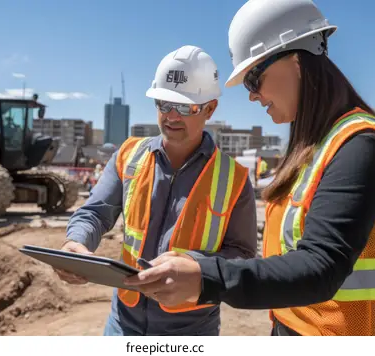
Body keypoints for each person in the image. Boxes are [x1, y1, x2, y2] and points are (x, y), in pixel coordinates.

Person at [124, 0, 375, 336]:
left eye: (253, 78)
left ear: (296, 61)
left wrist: (207, 278)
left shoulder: (361, 146)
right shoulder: (317, 148)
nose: (253, 96)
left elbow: (321, 267)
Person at [54, 45, 258, 336]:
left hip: (192, 329)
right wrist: (76, 244)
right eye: (164, 103)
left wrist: (194, 267)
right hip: (123, 322)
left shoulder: (234, 180)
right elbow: (95, 214)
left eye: (186, 107)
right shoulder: (128, 156)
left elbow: (243, 256)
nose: (172, 116)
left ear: (210, 108)